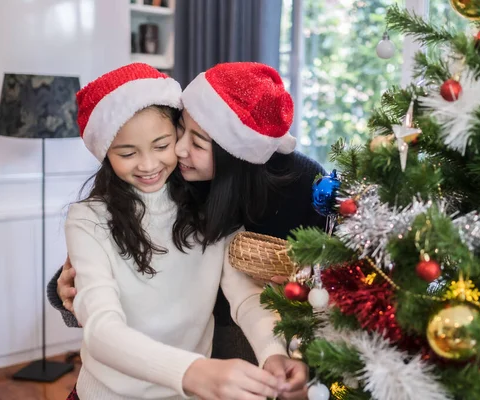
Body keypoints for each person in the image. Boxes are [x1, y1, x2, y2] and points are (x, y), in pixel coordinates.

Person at [48, 62, 326, 365]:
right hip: (176, 353)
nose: (179, 149)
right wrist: (69, 288)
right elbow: (121, 248)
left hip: (267, 332)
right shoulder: (170, 173)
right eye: (180, 129)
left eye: (197, 142)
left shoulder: (304, 186)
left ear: (233, 153)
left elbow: (342, 276)